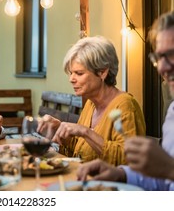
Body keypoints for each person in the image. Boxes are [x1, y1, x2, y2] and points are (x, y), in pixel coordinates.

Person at [77, 11, 174, 190]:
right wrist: (122, 174)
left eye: (172, 54)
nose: (162, 67)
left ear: (102, 73)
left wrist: (169, 168)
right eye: (159, 57)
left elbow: (166, 172)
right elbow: (163, 182)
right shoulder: (173, 113)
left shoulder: (125, 105)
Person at [37, 36, 146, 165]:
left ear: (102, 72)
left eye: (79, 73)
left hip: (111, 184)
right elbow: (81, 151)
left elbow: (129, 159)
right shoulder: (91, 103)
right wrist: (58, 129)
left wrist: (85, 132)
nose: (71, 79)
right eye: (71, 73)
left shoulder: (125, 106)